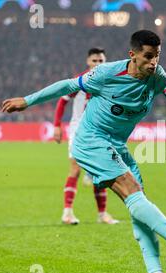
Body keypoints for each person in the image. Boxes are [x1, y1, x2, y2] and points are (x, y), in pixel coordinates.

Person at [1, 30, 166, 273]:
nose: (153, 63)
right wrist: (28, 101)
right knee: (134, 193)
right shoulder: (106, 73)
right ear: (133, 55)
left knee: (139, 205)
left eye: (157, 56)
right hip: (91, 140)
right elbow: (68, 86)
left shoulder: (158, 76)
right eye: (148, 57)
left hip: (117, 145)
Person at [53, 47, 119, 225]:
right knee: (75, 169)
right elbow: (62, 100)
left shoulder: (109, 82)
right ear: (88, 62)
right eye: (94, 61)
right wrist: (57, 125)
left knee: (101, 172)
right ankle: (67, 213)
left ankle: (102, 214)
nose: (97, 64)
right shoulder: (80, 81)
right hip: (78, 130)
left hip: (99, 132)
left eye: (101, 61)